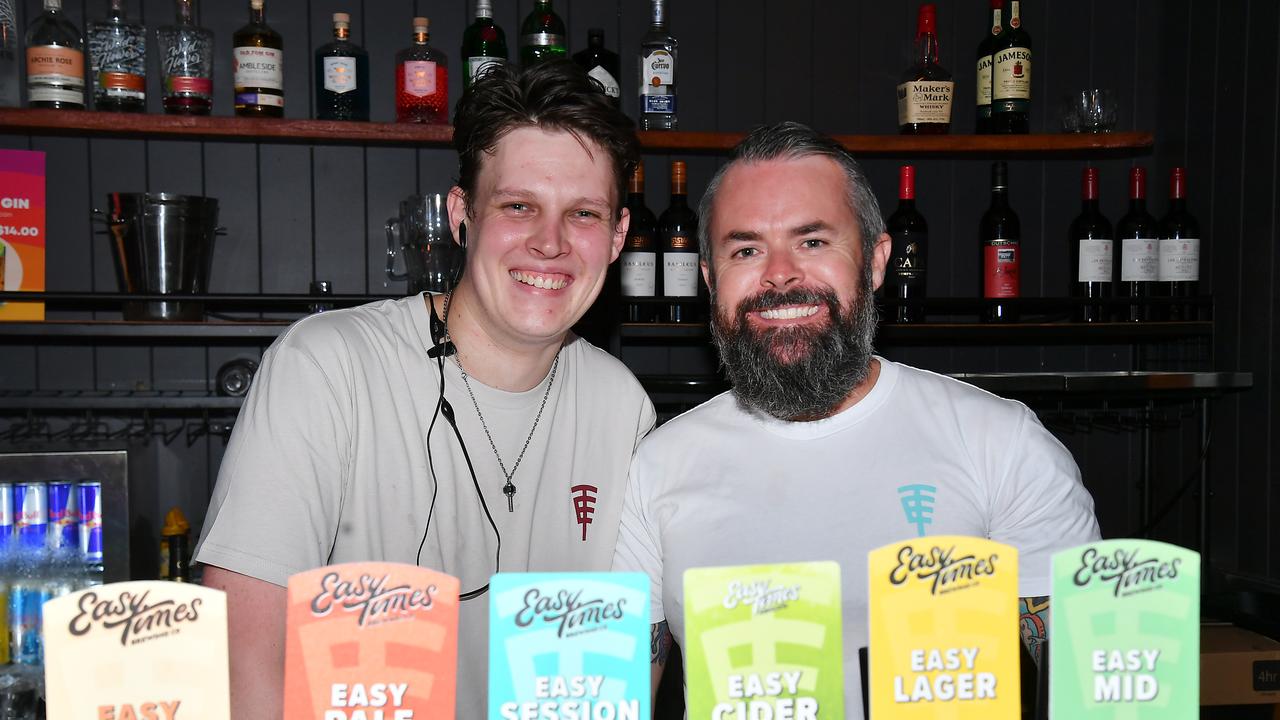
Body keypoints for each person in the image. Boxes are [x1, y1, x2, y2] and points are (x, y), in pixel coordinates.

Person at [195, 61, 656, 719]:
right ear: (461, 214)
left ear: (616, 236)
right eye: (518, 206)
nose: (549, 243)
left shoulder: (621, 407)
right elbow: (244, 662)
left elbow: (630, 649)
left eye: (582, 213)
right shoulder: (328, 369)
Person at [612, 121, 1100, 716]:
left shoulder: (1002, 444)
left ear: (875, 261)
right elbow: (620, 691)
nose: (780, 274)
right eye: (746, 249)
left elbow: (1084, 690)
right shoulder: (656, 465)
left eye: (813, 242)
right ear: (710, 280)